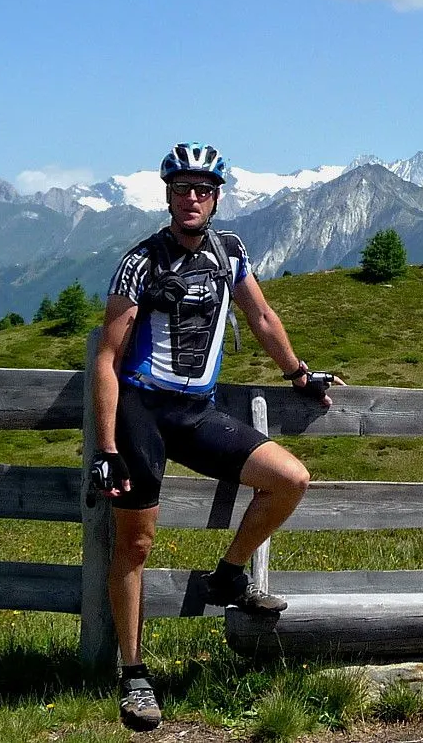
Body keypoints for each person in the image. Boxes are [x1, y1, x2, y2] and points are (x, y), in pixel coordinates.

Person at [87, 141, 342, 732]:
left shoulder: (231, 252)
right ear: (168, 195)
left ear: (217, 198)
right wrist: (105, 448)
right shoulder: (140, 261)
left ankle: (227, 575)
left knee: (290, 479)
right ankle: (133, 674)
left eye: (203, 190)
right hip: (142, 412)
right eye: (182, 189)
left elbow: (261, 317)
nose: (192, 198)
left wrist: (298, 374)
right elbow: (107, 357)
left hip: (197, 413)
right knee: (136, 546)